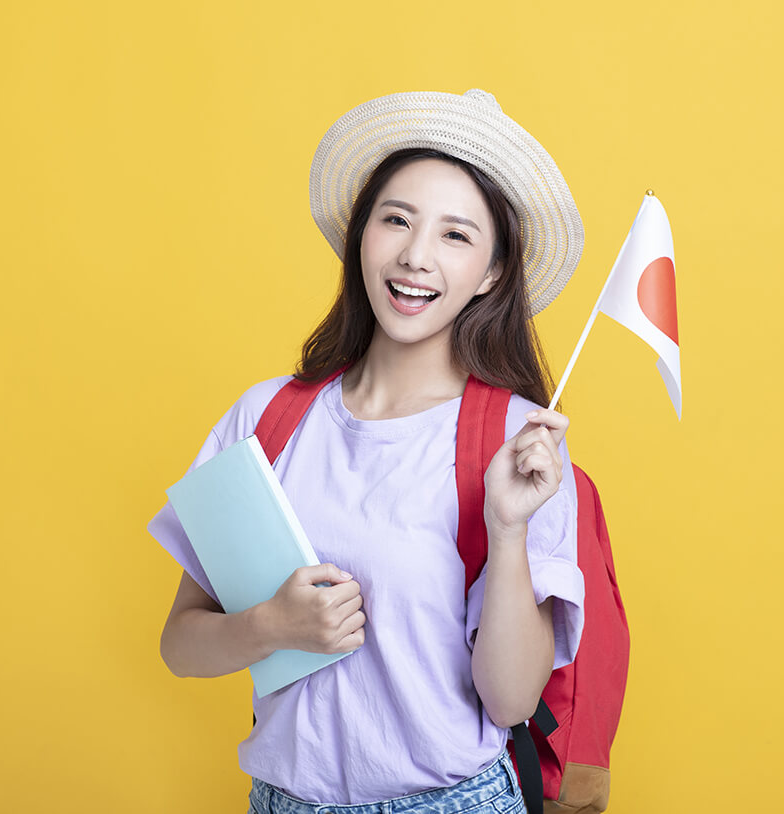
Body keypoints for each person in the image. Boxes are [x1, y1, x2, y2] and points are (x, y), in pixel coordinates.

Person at [148, 89, 587, 813]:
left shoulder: (519, 445)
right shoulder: (265, 418)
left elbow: (511, 700)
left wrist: (507, 529)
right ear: (361, 236)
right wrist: (269, 628)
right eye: (396, 220)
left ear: (492, 273)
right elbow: (180, 647)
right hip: (283, 800)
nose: (416, 256)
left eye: (456, 235)